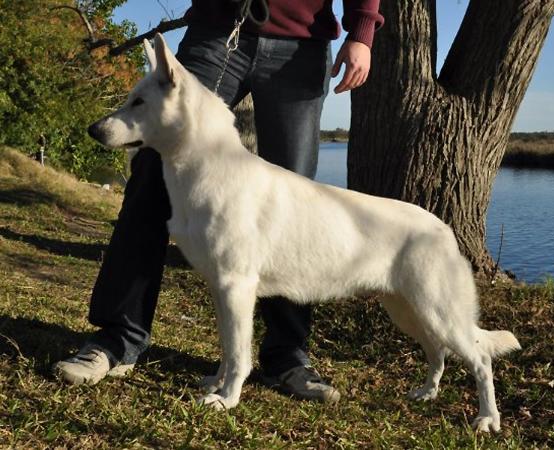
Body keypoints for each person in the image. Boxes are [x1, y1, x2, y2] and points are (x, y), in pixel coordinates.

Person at [54, 0, 383, 403]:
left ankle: (287, 357)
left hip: (302, 41)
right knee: (149, 179)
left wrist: (362, 30)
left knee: (295, 204)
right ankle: (118, 338)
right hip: (217, 29)